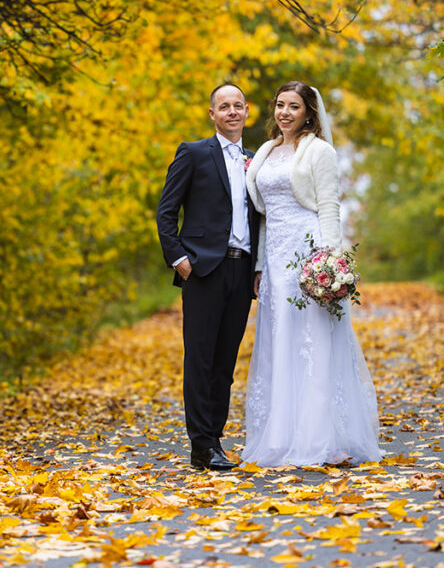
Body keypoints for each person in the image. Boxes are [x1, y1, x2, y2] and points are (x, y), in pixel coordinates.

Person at [241, 81, 382, 467]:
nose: (285, 112)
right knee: (279, 342)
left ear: (308, 113)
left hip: (308, 252)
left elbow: (328, 206)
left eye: (294, 106)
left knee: (313, 342)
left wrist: (330, 262)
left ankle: (324, 438)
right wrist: (257, 266)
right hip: (273, 259)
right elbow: (265, 215)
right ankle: (283, 436)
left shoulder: (319, 151)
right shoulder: (266, 152)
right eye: (280, 105)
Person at [156, 83, 260, 471]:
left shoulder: (256, 160)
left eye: (238, 106)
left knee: (225, 362)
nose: (232, 112)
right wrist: (179, 258)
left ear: (246, 111)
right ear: (212, 114)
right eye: (224, 106)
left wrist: (259, 267)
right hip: (203, 268)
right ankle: (202, 444)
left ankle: (214, 437)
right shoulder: (194, 153)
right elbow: (166, 212)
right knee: (200, 358)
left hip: (241, 268)